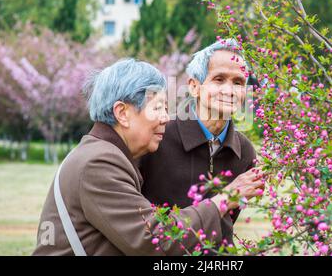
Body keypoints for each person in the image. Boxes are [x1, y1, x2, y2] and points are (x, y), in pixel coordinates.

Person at [33, 58, 263, 256]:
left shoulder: (105, 153)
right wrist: (223, 200)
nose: (165, 118)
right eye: (158, 107)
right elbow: (152, 238)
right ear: (122, 113)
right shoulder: (99, 163)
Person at [139, 39, 260, 246]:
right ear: (194, 87)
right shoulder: (158, 137)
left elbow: (229, 220)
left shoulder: (245, 152)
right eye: (219, 79)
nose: (229, 91)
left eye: (238, 82)